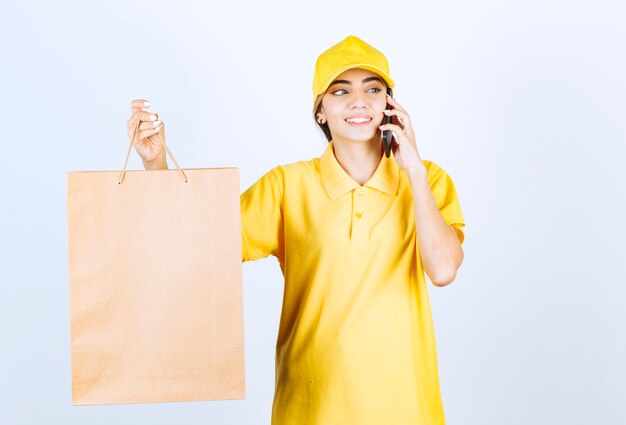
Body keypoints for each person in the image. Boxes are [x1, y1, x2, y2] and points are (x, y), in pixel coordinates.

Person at [126, 35, 465, 425]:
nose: (359, 101)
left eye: (373, 89)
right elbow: (198, 244)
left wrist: (415, 171)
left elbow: (442, 270)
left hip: (406, 406)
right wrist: (156, 166)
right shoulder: (287, 186)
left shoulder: (428, 180)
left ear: (390, 106)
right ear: (320, 110)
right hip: (310, 404)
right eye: (341, 90)